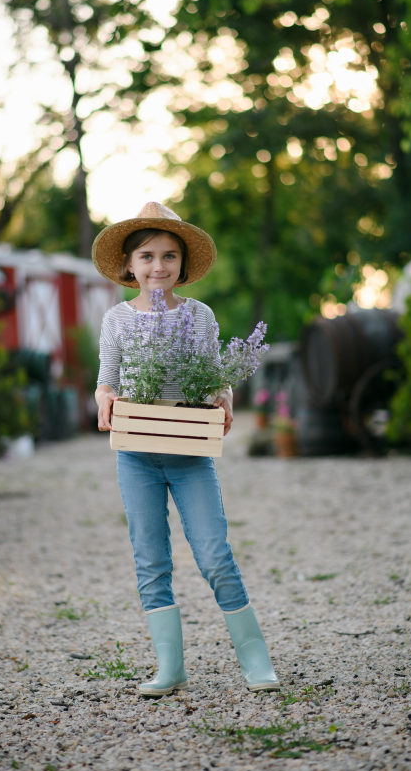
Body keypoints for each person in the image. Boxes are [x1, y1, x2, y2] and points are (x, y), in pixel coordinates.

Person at [92, 201, 280, 697]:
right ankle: (170, 667)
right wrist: (104, 399)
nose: (159, 266)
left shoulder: (199, 316)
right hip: (136, 455)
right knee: (150, 560)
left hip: (189, 452)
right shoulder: (116, 320)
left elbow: (214, 380)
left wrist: (226, 394)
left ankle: (255, 659)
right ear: (129, 265)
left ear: (183, 264)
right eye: (148, 256)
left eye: (169, 255)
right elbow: (105, 381)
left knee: (216, 554)